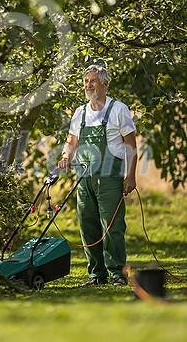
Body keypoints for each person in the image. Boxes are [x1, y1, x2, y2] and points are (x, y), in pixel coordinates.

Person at [58, 62, 137, 286]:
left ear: (104, 83)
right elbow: (71, 142)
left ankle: (117, 273)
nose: (88, 85)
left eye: (92, 80)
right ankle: (96, 274)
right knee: (88, 224)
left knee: (112, 227)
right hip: (84, 179)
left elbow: (131, 145)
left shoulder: (118, 109)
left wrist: (130, 177)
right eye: (85, 81)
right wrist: (66, 156)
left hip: (110, 178)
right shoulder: (80, 112)